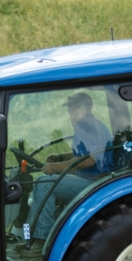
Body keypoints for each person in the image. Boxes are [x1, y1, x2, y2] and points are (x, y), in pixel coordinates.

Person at [22, 92, 113, 245]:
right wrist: (61, 157)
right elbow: (84, 151)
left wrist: (57, 167)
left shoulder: (86, 125)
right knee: (40, 183)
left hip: (94, 182)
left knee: (43, 184)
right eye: (70, 109)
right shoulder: (91, 125)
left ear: (89, 107)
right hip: (89, 179)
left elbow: (89, 159)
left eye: (75, 109)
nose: (71, 113)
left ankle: (41, 241)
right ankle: (29, 237)